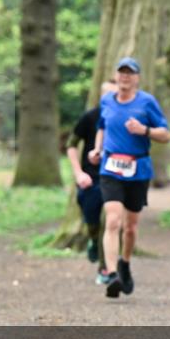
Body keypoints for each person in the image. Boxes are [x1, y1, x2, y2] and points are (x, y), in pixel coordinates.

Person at [87, 57, 170, 299]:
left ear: (137, 78)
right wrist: (97, 149)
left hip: (138, 169)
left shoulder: (147, 102)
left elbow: (165, 134)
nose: (125, 77)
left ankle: (125, 263)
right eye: (121, 72)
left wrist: (144, 130)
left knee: (131, 227)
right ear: (115, 76)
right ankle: (112, 274)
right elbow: (102, 127)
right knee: (113, 220)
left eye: (130, 73)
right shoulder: (106, 101)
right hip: (110, 168)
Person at [67, 80, 118, 284]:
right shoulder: (90, 117)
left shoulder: (123, 117)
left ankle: (105, 269)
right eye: (106, 95)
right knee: (94, 221)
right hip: (91, 179)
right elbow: (71, 144)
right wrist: (79, 173)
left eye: (114, 95)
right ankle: (93, 239)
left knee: (111, 221)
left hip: (114, 178)